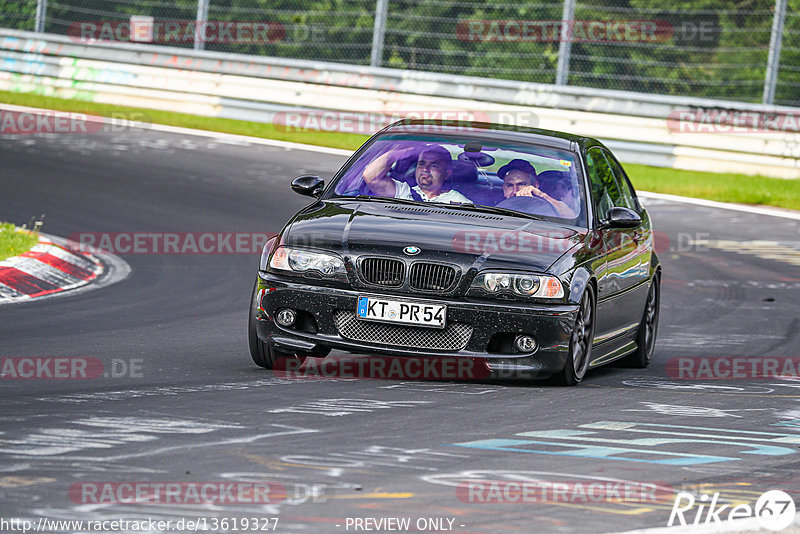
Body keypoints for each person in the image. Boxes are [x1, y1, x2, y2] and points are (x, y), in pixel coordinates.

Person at [362, 144, 471, 203]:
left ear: (447, 174)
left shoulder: (459, 202)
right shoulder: (403, 191)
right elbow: (371, 177)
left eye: (434, 165)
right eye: (421, 164)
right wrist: (398, 153)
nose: (425, 169)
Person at [498, 159, 576, 218]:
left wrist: (542, 195)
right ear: (504, 190)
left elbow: (570, 216)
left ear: (535, 186)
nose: (515, 191)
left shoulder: (546, 208)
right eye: (509, 185)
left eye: (521, 184)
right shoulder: (492, 209)